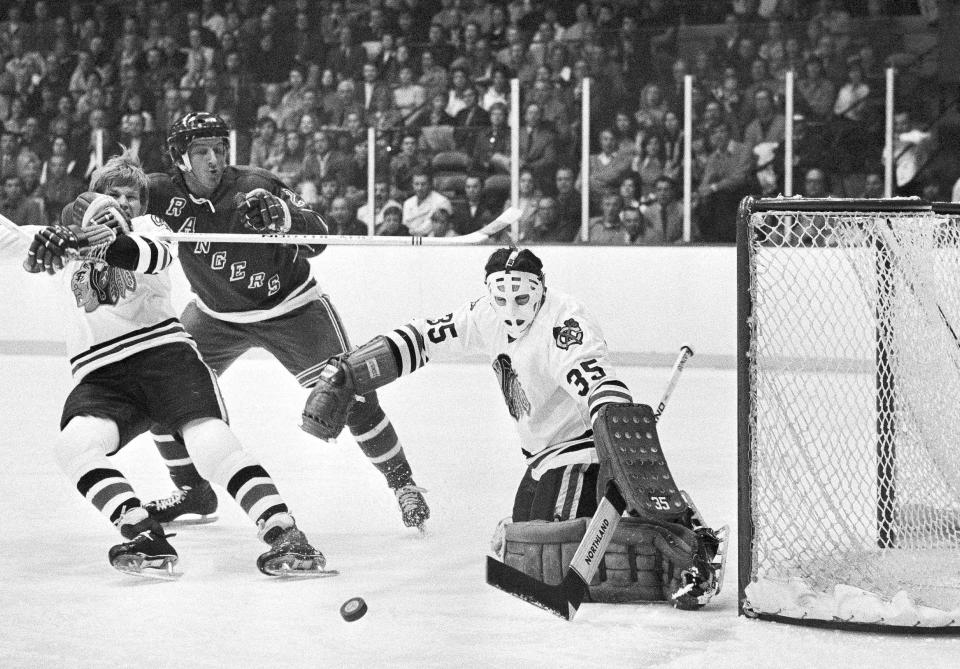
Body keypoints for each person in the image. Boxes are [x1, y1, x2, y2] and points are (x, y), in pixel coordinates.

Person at [6, 152, 325, 576]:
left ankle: (284, 532)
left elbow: (148, 256)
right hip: (102, 375)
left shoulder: (151, 227)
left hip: (164, 357)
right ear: (91, 200)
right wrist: (47, 244)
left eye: (133, 197)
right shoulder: (66, 237)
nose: (124, 203)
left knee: (209, 445)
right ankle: (143, 532)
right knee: (73, 447)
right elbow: (12, 240)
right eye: (113, 195)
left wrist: (86, 242)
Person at [143, 112, 430, 531]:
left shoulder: (256, 185)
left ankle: (404, 485)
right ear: (179, 157)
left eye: (219, 150)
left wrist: (285, 217)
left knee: (349, 394)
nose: (213, 160)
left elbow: (319, 237)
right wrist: (81, 221)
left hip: (292, 309)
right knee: (161, 390)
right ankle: (193, 491)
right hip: (214, 315)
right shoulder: (159, 192)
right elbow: (105, 198)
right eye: (201, 151)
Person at [302, 248, 634, 524]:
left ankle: (652, 519)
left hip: (582, 451)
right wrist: (355, 369)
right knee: (523, 543)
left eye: (521, 298)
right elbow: (424, 337)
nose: (512, 310)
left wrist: (616, 425)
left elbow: (593, 377)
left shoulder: (564, 320)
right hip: (540, 457)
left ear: (540, 288)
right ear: (489, 292)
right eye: (501, 299)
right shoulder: (484, 314)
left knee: (550, 544)